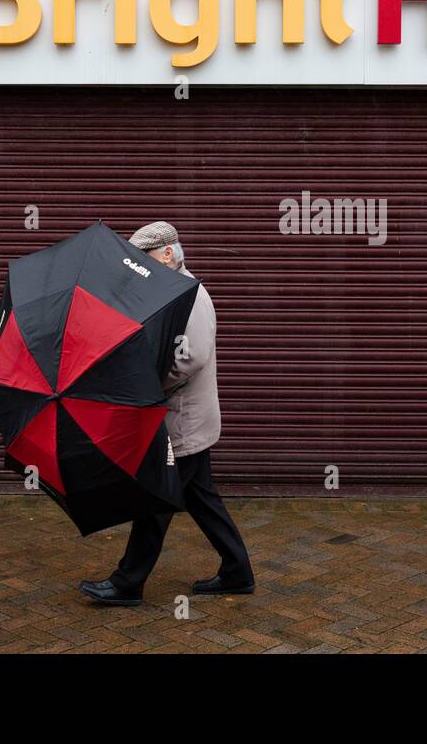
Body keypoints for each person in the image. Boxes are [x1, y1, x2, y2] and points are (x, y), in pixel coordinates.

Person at [80, 221, 255, 607]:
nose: (142, 269)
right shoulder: (169, 292)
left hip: (184, 421)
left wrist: (145, 384)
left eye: (146, 259)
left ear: (169, 254)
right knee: (201, 498)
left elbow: (191, 357)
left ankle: (128, 583)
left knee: (155, 501)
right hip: (182, 420)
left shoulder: (190, 296)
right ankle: (237, 570)